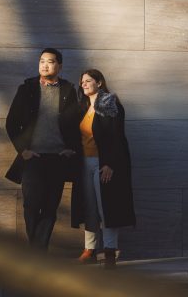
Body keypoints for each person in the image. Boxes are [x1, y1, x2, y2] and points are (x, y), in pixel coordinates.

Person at [5, 48, 82, 249]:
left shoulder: (68, 90)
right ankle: (36, 252)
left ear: (59, 66)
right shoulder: (27, 88)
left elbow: (75, 124)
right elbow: (11, 123)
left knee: (49, 208)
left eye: (50, 61)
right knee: (31, 205)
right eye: (41, 61)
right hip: (33, 158)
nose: (44, 65)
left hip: (57, 158)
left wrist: (70, 148)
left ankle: (39, 252)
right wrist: (23, 150)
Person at [71, 68, 135, 269]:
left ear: (99, 82)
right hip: (84, 163)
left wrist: (110, 164)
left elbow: (116, 138)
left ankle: (109, 251)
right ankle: (89, 250)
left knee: (106, 208)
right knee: (88, 207)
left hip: (103, 163)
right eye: (82, 82)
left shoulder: (109, 104)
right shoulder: (81, 106)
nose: (84, 84)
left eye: (88, 80)